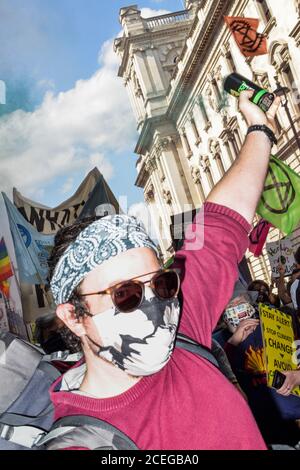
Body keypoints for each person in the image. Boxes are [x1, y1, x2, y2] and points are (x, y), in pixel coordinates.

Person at [46, 90, 281, 450]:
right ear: (74, 317)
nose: (154, 304)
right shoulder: (83, 444)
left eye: (162, 283)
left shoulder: (182, 333)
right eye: (125, 294)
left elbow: (220, 224)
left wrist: (259, 128)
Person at [222, 293, 300, 445]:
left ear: (250, 305)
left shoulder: (277, 323)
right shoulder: (224, 346)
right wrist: (233, 342)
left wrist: (297, 376)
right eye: (229, 306)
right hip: (264, 427)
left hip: (295, 414)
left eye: (239, 302)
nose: (235, 308)